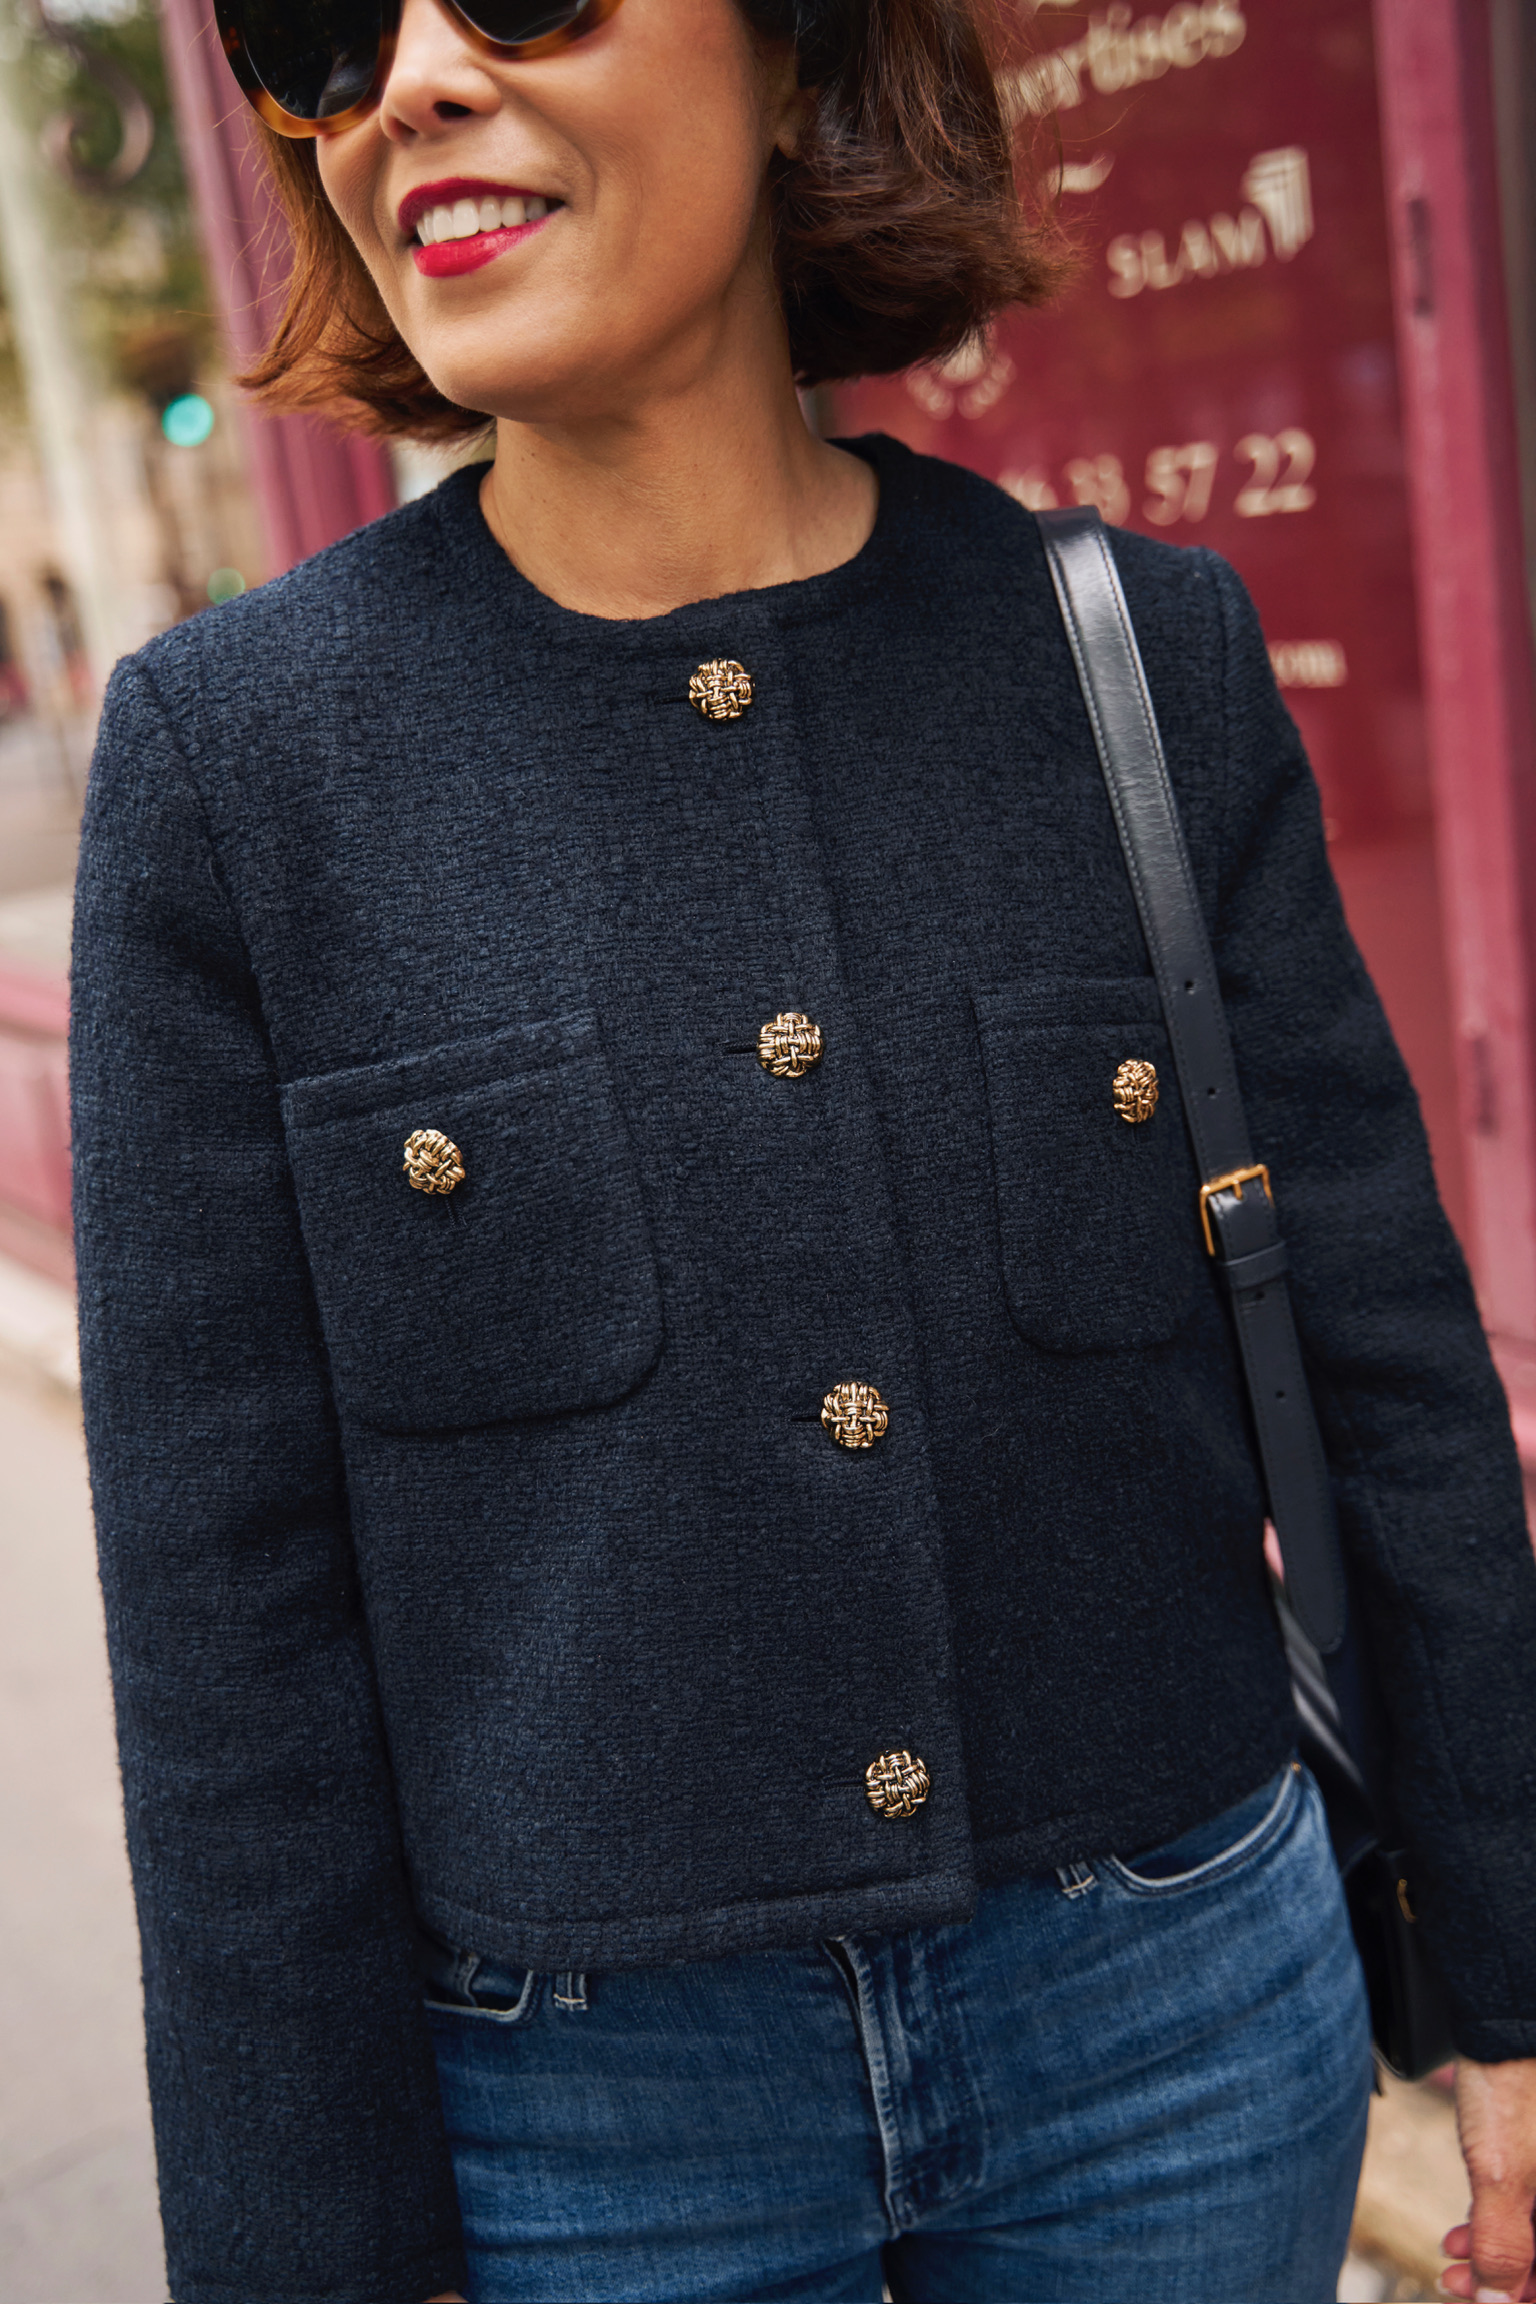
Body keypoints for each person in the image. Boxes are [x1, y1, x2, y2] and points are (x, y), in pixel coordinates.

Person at [70, 0, 1536, 2297]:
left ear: (787, 58)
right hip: (573, 2125)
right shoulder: (239, 771)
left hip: (1173, 2030)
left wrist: (1517, 1987)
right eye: (326, 36)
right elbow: (227, 1642)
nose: (416, 83)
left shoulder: (1134, 661)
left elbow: (1391, 1369)